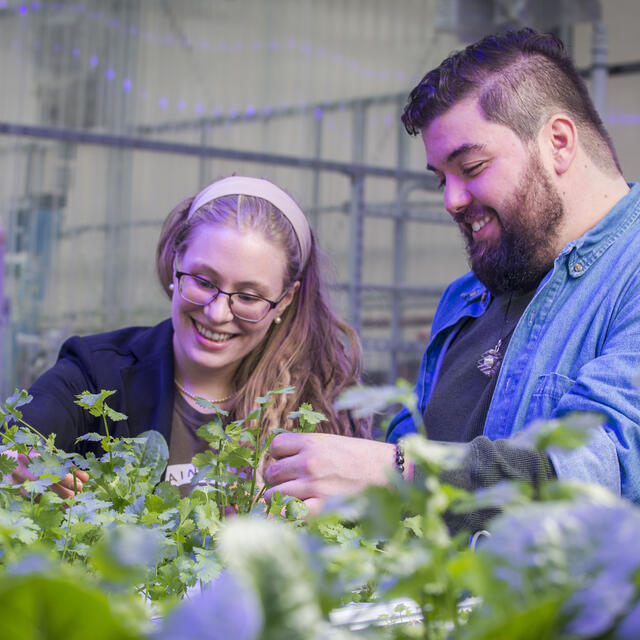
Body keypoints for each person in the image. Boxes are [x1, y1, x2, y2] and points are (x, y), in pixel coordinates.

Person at [264, 28, 640, 529]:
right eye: (442, 179)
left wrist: (395, 473)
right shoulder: (465, 298)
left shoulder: (627, 277)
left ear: (559, 142)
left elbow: (598, 472)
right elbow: (419, 448)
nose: (451, 200)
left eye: (472, 166)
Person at [13, 176, 369, 497]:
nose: (217, 313)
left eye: (248, 297)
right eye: (203, 282)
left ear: (285, 299)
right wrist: (14, 457)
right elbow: (17, 438)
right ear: (176, 261)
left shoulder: (318, 406)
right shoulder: (96, 372)